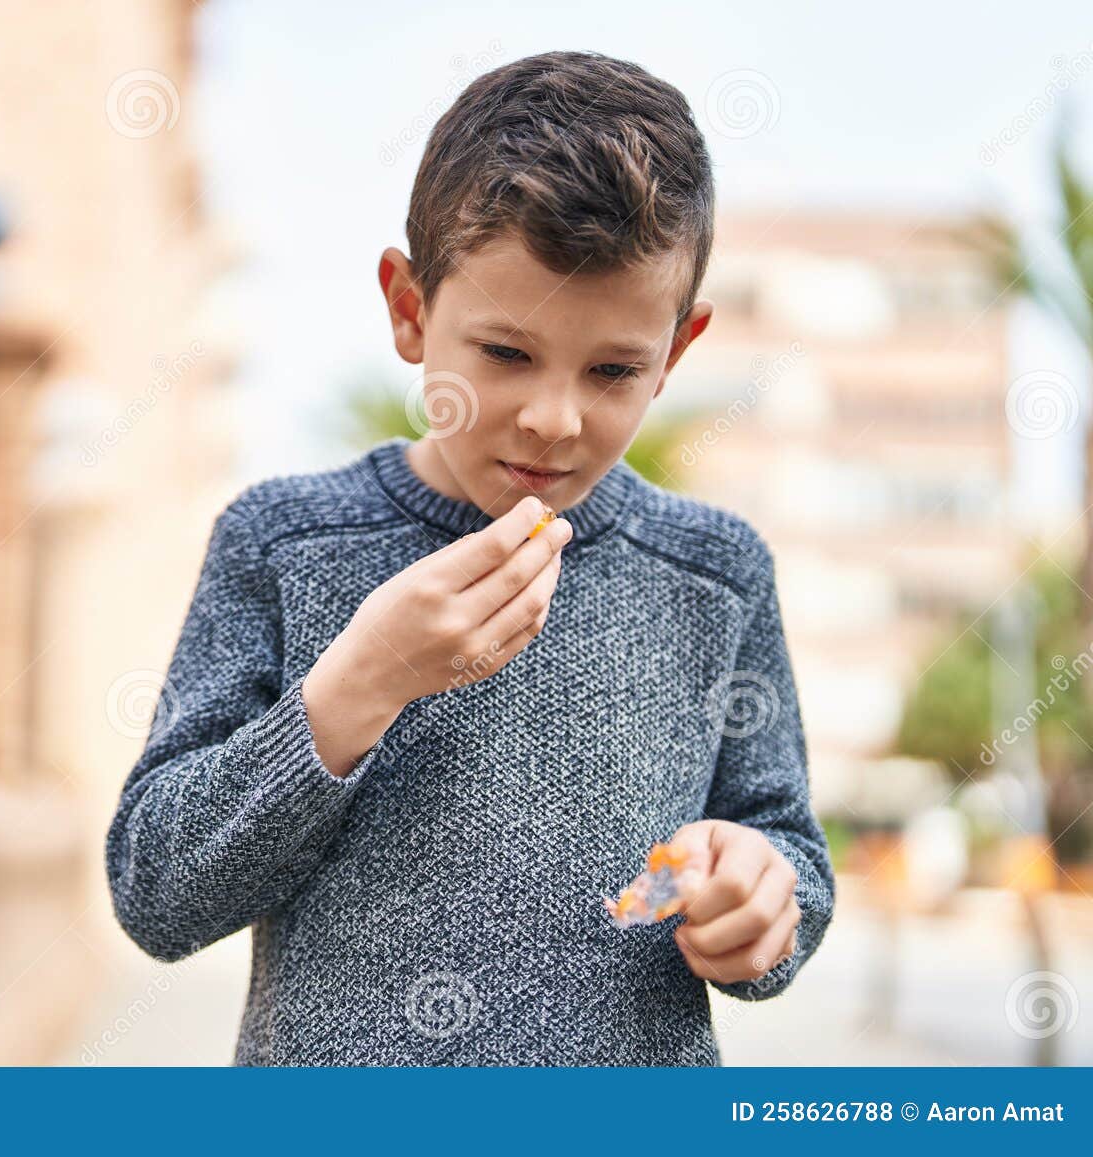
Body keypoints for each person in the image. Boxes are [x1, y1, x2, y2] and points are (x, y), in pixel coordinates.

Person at [104, 49, 834, 1065]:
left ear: (675, 351)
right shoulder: (279, 542)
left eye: (614, 368)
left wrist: (761, 894)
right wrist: (358, 684)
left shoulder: (715, 573)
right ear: (409, 310)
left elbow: (784, 847)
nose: (552, 417)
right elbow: (157, 893)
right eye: (505, 352)